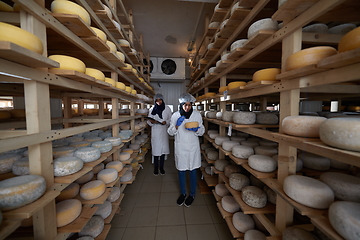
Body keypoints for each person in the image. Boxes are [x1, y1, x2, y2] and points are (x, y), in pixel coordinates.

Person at [167, 93, 205, 207]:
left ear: (192, 105)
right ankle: (183, 193)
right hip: (181, 147)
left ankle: (192, 194)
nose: (187, 107)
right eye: (184, 105)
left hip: (193, 147)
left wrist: (197, 129)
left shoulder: (197, 115)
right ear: (181, 104)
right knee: (181, 171)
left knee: (193, 171)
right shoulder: (175, 115)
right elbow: (170, 131)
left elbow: (202, 130)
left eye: (189, 105)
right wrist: (177, 126)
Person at [147, 93, 172, 176]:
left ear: (162, 100)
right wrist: (152, 122)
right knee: (156, 151)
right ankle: (155, 168)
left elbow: (170, 120)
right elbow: (148, 121)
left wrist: (166, 122)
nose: (158, 102)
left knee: (163, 151)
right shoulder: (152, 109)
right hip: (155, 131)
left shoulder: (167, 109)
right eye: (156, 100)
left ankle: (161, 167)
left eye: (160, 100)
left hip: (163, 131)